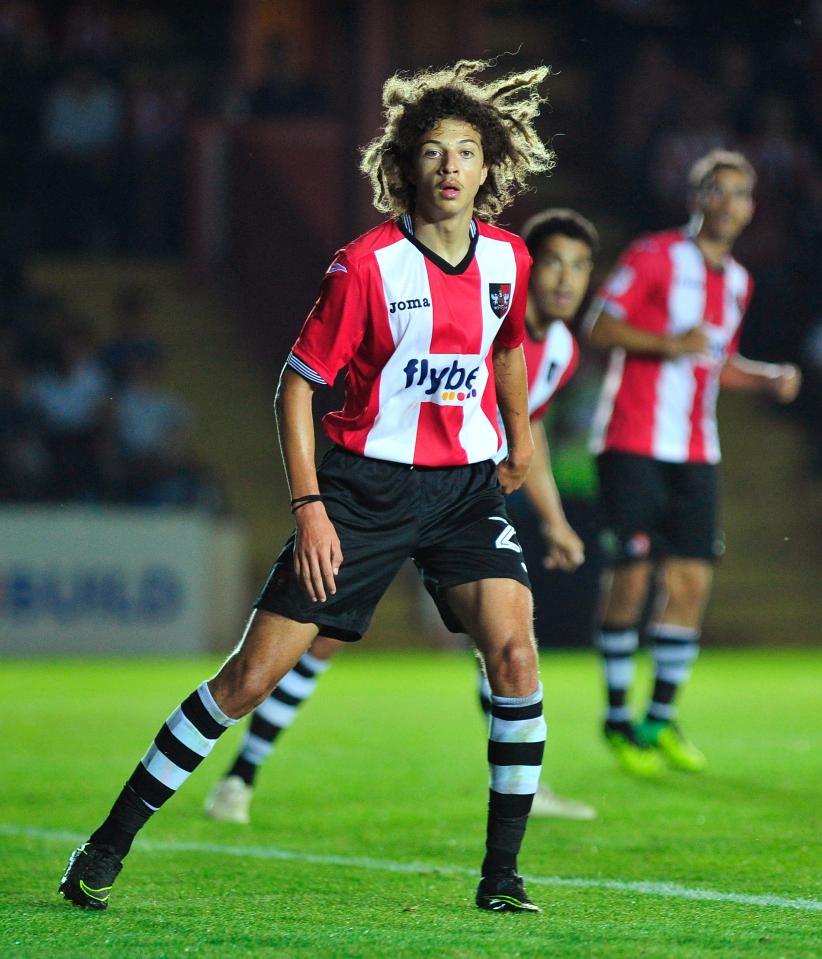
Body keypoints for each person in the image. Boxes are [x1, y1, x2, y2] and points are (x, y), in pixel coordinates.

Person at [59, 57, 556, 915]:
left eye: (464, 151)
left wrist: (517, 433)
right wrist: (312, 508)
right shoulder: (365, 266)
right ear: (405, 166)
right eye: (432, 151)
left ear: (487, 167)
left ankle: (501, 877)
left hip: (463, 489)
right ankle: (106, 843)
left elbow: (507, 345)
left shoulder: (507, 259)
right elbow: (296, 385)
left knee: (514, 654)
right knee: (248, 681)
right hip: (362, 493)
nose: (448, 166)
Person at [204, 208, 600, 826]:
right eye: (552, 261)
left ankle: (523, 786)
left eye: (579, 266)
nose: (564, 280)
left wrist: (552, 518)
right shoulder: (466, 298)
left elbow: (531, 429)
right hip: (391, 486)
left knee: (503, 642)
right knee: (321, 640)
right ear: (528, 264)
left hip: (468, 502)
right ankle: (241, 775)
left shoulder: (562, 352)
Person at [585, 149, 801, 777]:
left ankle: (660, 717)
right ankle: (618, 717)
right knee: (632, 577)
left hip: (697, 447)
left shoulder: (738, 281)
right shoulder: (655, 256)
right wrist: (667, 342)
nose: (730, 203)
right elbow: (600, 326)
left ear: (750, 209)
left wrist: (766, 378)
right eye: (719, 190)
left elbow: (715, 362)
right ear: (698, 197)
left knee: (693, 582)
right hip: (631, 439)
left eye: (741, 194)